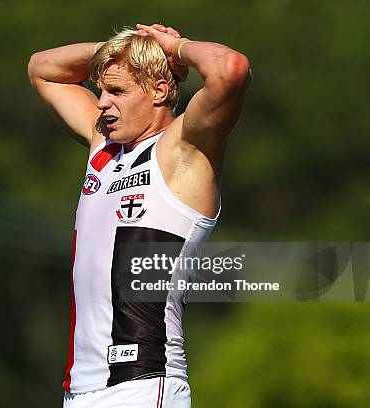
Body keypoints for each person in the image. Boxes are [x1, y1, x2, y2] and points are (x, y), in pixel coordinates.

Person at [27, 23, 251, 408]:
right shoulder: (105, 146)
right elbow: (41, 68)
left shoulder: (182, 151)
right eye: (101, 90)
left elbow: (230, 68)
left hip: (141, 385)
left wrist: (174, 47)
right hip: (79, 391)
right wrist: (124, 48)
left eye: (116, 91)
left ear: (160, 91)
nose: (100, 102)